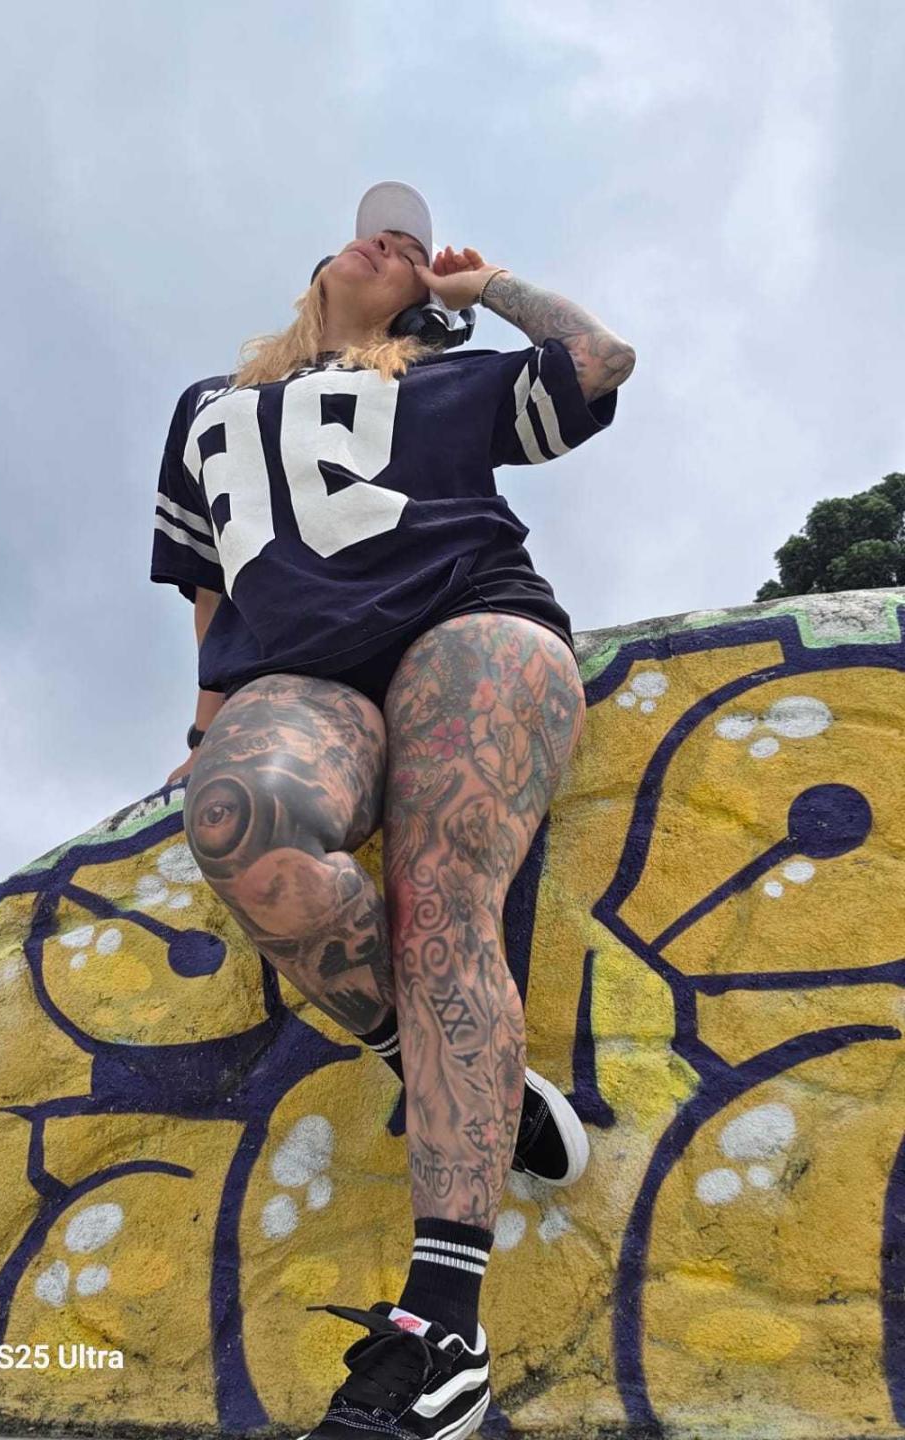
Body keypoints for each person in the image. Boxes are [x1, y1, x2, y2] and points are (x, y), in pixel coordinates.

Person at [150, 180, 635, 1440]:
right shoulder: (209, 408)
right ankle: (438, 1062)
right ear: (319, 265)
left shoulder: (448, 380)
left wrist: (486, 290)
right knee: (239, 819)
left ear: (428, 295)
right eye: (374, 229)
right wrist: (204, 727)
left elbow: (599, 359)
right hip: (301, 672)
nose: (392, 240)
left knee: (441, 904)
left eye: (414, 246)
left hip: (472, 620)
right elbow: (207, 577)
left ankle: (442, 1332)